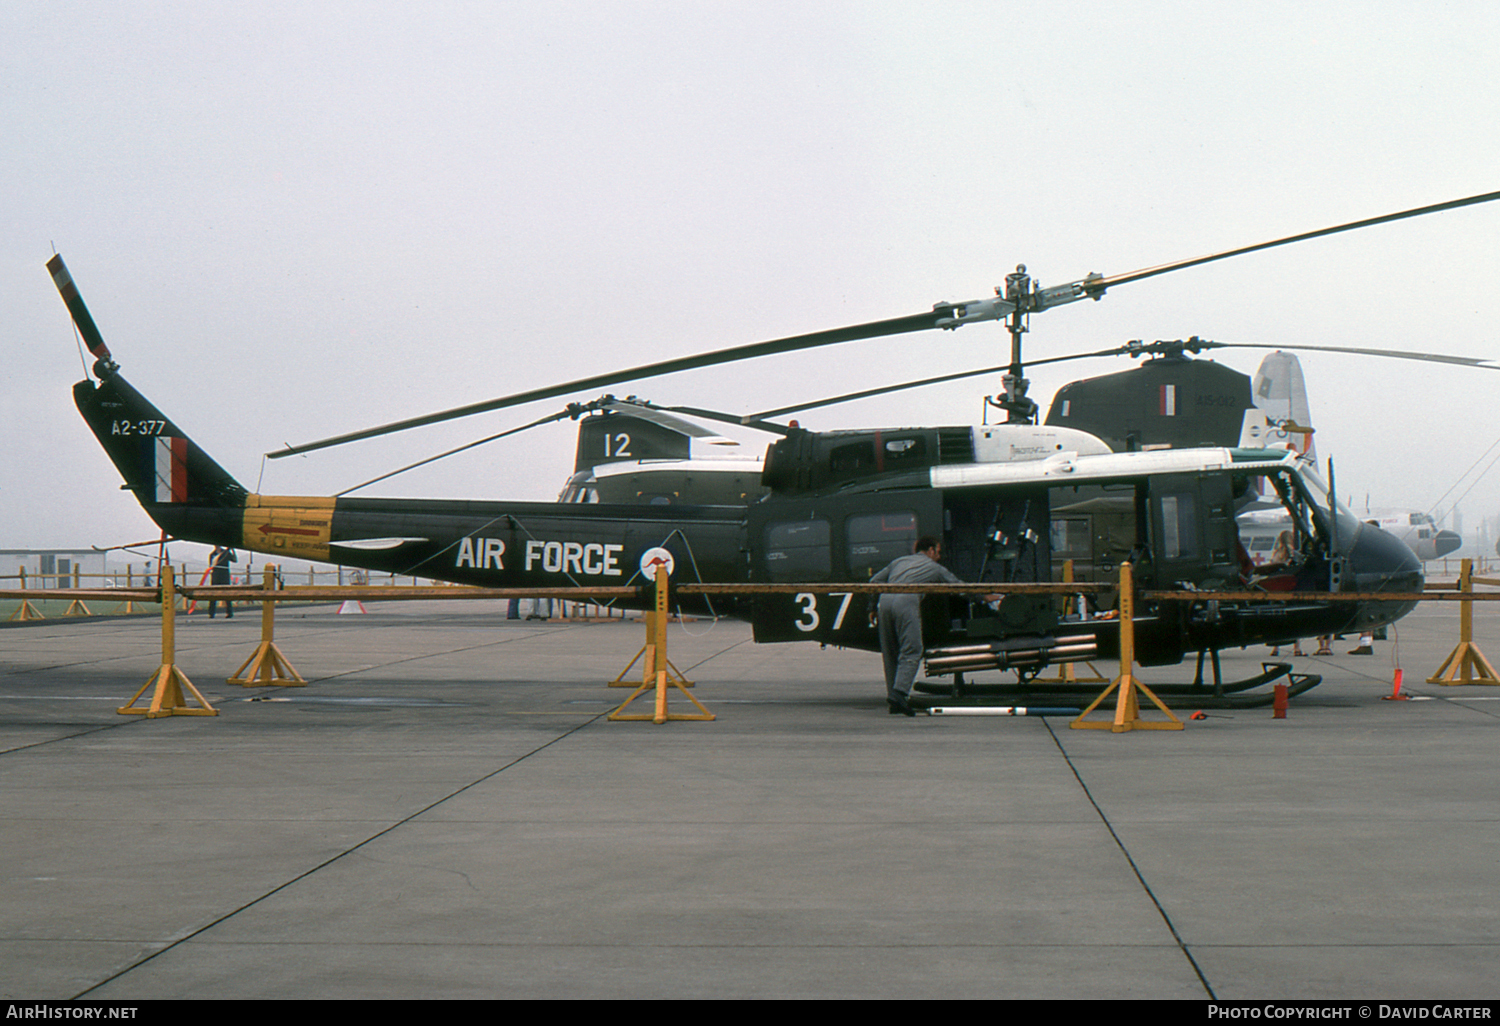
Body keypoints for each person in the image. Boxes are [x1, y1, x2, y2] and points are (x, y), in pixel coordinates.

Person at [869, 536, 969, 716]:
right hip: (906, 600)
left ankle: (894, 699)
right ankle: (900, 694)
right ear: (930, 550)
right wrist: (985, 596)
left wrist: (872, 607)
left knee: (890, 652)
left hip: (884, 601)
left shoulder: (899, 561)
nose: (938, 556)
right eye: (938, 552)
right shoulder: (934, 568)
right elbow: (959, 587)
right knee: (913, 649)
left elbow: (874, 581)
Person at [208, 545, 237, 618]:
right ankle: (211, 613)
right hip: (215, 576)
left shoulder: (226, 553)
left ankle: (229, 612)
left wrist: (232, 550)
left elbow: (234, 560)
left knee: (226, 594)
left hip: (224, 576)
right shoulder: (212, 555)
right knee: (213, 595)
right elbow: (211, 566)